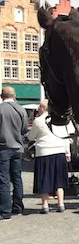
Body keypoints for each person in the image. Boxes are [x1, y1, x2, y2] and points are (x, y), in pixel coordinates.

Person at [27, 100, 72, 213]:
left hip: (44, 152)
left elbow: (31, 137)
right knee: (59, 179)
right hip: (59, 150)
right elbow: (65, 137)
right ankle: (61, 204)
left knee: (44, 178)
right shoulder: (60, 120)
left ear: (43, 108)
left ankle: (45, 205)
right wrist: (67, 152)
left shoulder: (38, 121)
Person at [0, 87, 28, 220]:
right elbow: (24, 130)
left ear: (1, 96)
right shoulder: (21, 110)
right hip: (18, 148)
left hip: (3, 147)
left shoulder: (0, 109)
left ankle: (5, 210)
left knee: (3, 179)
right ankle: (18, 207)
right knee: (17, 177)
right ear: (14, 96)